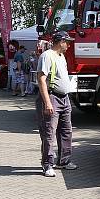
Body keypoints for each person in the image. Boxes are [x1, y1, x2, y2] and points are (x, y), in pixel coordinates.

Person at [36, 31, 77, 177]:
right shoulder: (47, 56)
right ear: (60, 42)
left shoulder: (61, 56)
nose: (69, 44)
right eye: (67, 42)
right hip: (52, 97)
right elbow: (41, 79)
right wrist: (47, 102)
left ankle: (64, 161)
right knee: (49, 132)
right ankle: (47, 165)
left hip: (64, 98)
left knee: (66, 130)